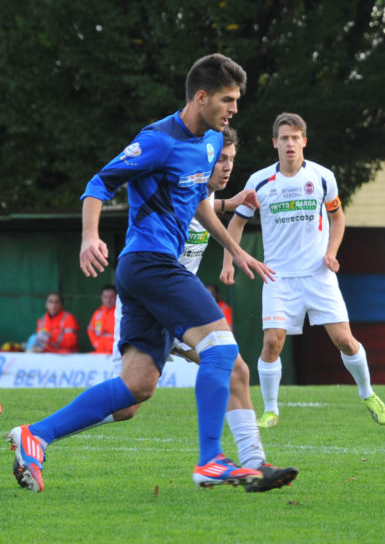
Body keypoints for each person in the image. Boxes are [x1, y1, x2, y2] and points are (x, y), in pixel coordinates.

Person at [8, 53, 275, 493]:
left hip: (150, 272)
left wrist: (235, 248)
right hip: (150, 263)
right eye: (228, 99)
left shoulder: (210, 142)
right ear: (201, 96)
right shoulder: (157, 139)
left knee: (137, 387)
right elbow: (99, 182)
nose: (234, 109)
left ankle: (36, 435)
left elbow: (199, 202)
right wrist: (90, 237)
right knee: (222, 349)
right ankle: (211, 460)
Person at [105, 125, 298, 492]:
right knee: (129, 403)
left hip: (181, 311)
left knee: (236, 368)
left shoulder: (202, 197)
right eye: (220, 159)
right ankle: (41, 433)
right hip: (151, 305)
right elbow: (194, 202)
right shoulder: (177, 192)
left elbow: (207, 204)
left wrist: (232, 209)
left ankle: (255, 465)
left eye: (230, 160)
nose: (226, 167)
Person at [221, 112, 385, 428]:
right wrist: (229, 261)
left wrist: (331, 253)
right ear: (275, 143)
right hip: (278, 278)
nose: (290, 143)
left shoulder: (322, 177)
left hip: (318, 275)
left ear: (304, 142)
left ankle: (368, 393)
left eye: (295, 137)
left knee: (345, 341)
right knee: (272, 342)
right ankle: (271, 410)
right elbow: (238, 221)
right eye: (284, 137)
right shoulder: (259, 181)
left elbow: (337, 218)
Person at [86, 285, 117, 353]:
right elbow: (91, 330)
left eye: (111, 297)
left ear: (116, 298)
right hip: (100, 351)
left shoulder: (119, 312)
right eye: (105, 297)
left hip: (116, 351)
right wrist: (96, 343)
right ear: (101, 298)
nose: (108, 300)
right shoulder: (98, 313)